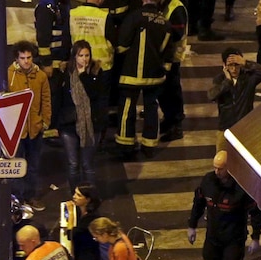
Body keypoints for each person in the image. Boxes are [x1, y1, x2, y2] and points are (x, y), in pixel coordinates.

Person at [113, 0, 175, 160]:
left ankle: (125, 145)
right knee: (151, 108)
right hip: (155, 75)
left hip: (131, 73)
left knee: (127, 107)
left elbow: (122, 44)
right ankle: (149, 145)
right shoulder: (165, 23)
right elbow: (168, 53)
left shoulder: (135, 17)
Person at [51, 40, 105, 191]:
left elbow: (97, 96)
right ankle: (76, 195)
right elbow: (58, 99)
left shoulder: (96, 73)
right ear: (74, 56)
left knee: (87, 164)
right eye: (81, 55)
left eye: (87, 55)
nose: (84, 59)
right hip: (69, 125)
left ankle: (91, 196)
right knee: (73, 164)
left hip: (91, 125)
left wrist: (84, 77)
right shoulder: (64, 73)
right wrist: (55, 124)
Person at [8, 41, 51, 213]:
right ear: (17, 59)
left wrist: (45, 122)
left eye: (29, 57)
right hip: (17, 131)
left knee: (33, 166)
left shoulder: (40, 76)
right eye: (23, 58)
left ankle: (31, 196)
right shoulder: (9, 75)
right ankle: (18, 198)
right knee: (17, 166)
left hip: (34, 129)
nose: (26, 61)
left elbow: (46, 100)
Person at [207, 47, 261, 152]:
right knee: (221, 160)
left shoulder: (248, 78)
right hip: (225, 128)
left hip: (245, 127)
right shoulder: (220, 80)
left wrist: (246, 62)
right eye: (230, 65)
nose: (234, 69)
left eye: (236, 65)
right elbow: (212, 95)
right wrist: (227, 82)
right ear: (224, 66)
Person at [69, 0, 115, 122]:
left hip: (78, 64)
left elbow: (67, 37)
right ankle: (99, 129)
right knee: (101, 100)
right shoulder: (104, 16)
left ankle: (80, 127)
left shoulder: (73, 13)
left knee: (78, 97)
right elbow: (114, 40)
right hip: (101, 66)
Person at [158, 0, 188, 142]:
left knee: (172, 91)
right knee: (163, 91)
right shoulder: (163, 6)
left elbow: (177, 33)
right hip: (163, 55)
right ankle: (168, 119)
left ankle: (176, 125)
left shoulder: (176, 8)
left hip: (173, 57)